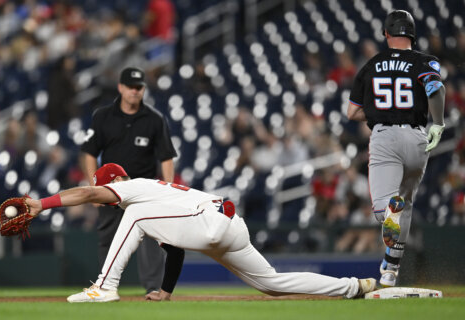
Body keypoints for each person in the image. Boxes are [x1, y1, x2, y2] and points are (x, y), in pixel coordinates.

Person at [25, 163, 376, 302]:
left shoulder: (133, 187)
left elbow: (85, 193)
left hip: (210, 219)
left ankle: (104, 287)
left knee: (134, 214)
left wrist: (41, 204)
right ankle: (354, 287)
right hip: (226, 225)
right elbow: (174, 248)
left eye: (106, 188)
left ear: (115, 181)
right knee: (272, 283)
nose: (103, 195)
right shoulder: (157, 200)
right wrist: (165, 292)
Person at [347, 10, 446, 287]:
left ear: (386, 34)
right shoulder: (425, 60)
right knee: (406, 202)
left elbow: (352, 112)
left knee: (384, 210)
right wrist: (438, 123)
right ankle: (390, 270)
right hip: (417, 138)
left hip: (385, 138)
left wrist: (380, 110)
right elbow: (435, 87)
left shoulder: (370, 64)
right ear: (412, 35)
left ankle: (389, 215)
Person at [80, 67, 177, 294]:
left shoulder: (154, 119)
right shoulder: (102, 116)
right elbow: (89, 153)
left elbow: (166, 157)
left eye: (139, 87)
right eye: (131, 87)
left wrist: (168, 189)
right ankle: (105, 287)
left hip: (145, 191)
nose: (135, 91)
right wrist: (95, 188)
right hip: (112, 189)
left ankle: (153, 288)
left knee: (153, 240)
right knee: (108, 239)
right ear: (120, 87)